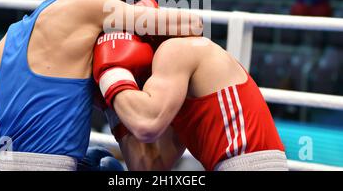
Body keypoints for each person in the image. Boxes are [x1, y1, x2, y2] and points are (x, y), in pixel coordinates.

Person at [0, 0, 202, 171]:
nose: (119, 4)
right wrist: (145, 10)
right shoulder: (86, 7)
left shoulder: (3, 44)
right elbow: (191, 24)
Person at [93, 35, 287, 171]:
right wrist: (112, 107)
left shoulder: (178, 49)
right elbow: (150, 166)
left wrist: (110, 73)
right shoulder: (177, 94)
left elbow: (146, 124)